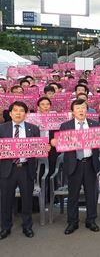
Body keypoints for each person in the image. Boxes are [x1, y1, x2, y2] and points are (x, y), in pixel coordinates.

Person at [52, 99, 100, 235]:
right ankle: (72, 222)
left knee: (91, 194)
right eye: (78, 108)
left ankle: (91, 220)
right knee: (73, 195)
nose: (81, 110)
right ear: (73, 111)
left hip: (90, 163)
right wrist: (55, 142)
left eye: (83, 108)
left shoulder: (95, 125)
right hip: (73, 164)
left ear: (87, 110)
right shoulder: (65, 126)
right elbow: (60, 143)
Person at [0, 101, 41, 239]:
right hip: (7, 169)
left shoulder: (34, 129)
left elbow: (38, 148)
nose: (18, 113)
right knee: (5, 200)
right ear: (10, 113)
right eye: (15, 110)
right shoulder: (2, 129)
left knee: (27, 199)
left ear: (26, 114)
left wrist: (44, 148)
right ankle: (5, 227)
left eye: (21, 110)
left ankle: (27, 226)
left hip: (25, 168)